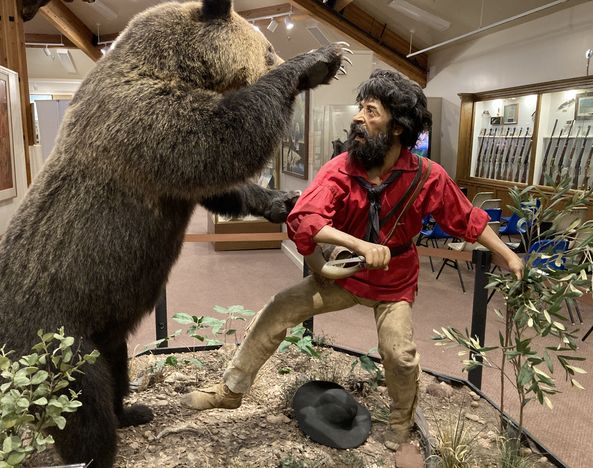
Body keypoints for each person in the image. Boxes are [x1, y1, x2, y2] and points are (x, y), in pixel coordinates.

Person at [182, 70, 523, 445]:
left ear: (397, 127)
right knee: (279, 308)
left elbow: (467, 219)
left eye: (371, 111)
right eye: (360, 108)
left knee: (399, 354)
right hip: (344, 273)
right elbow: (305, 219)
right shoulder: (341, 168)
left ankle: (399, 422)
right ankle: (230, 391)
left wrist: (507, 255)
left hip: (394, 282)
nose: (359, 117)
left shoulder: (428, 175)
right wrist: (358, 246)